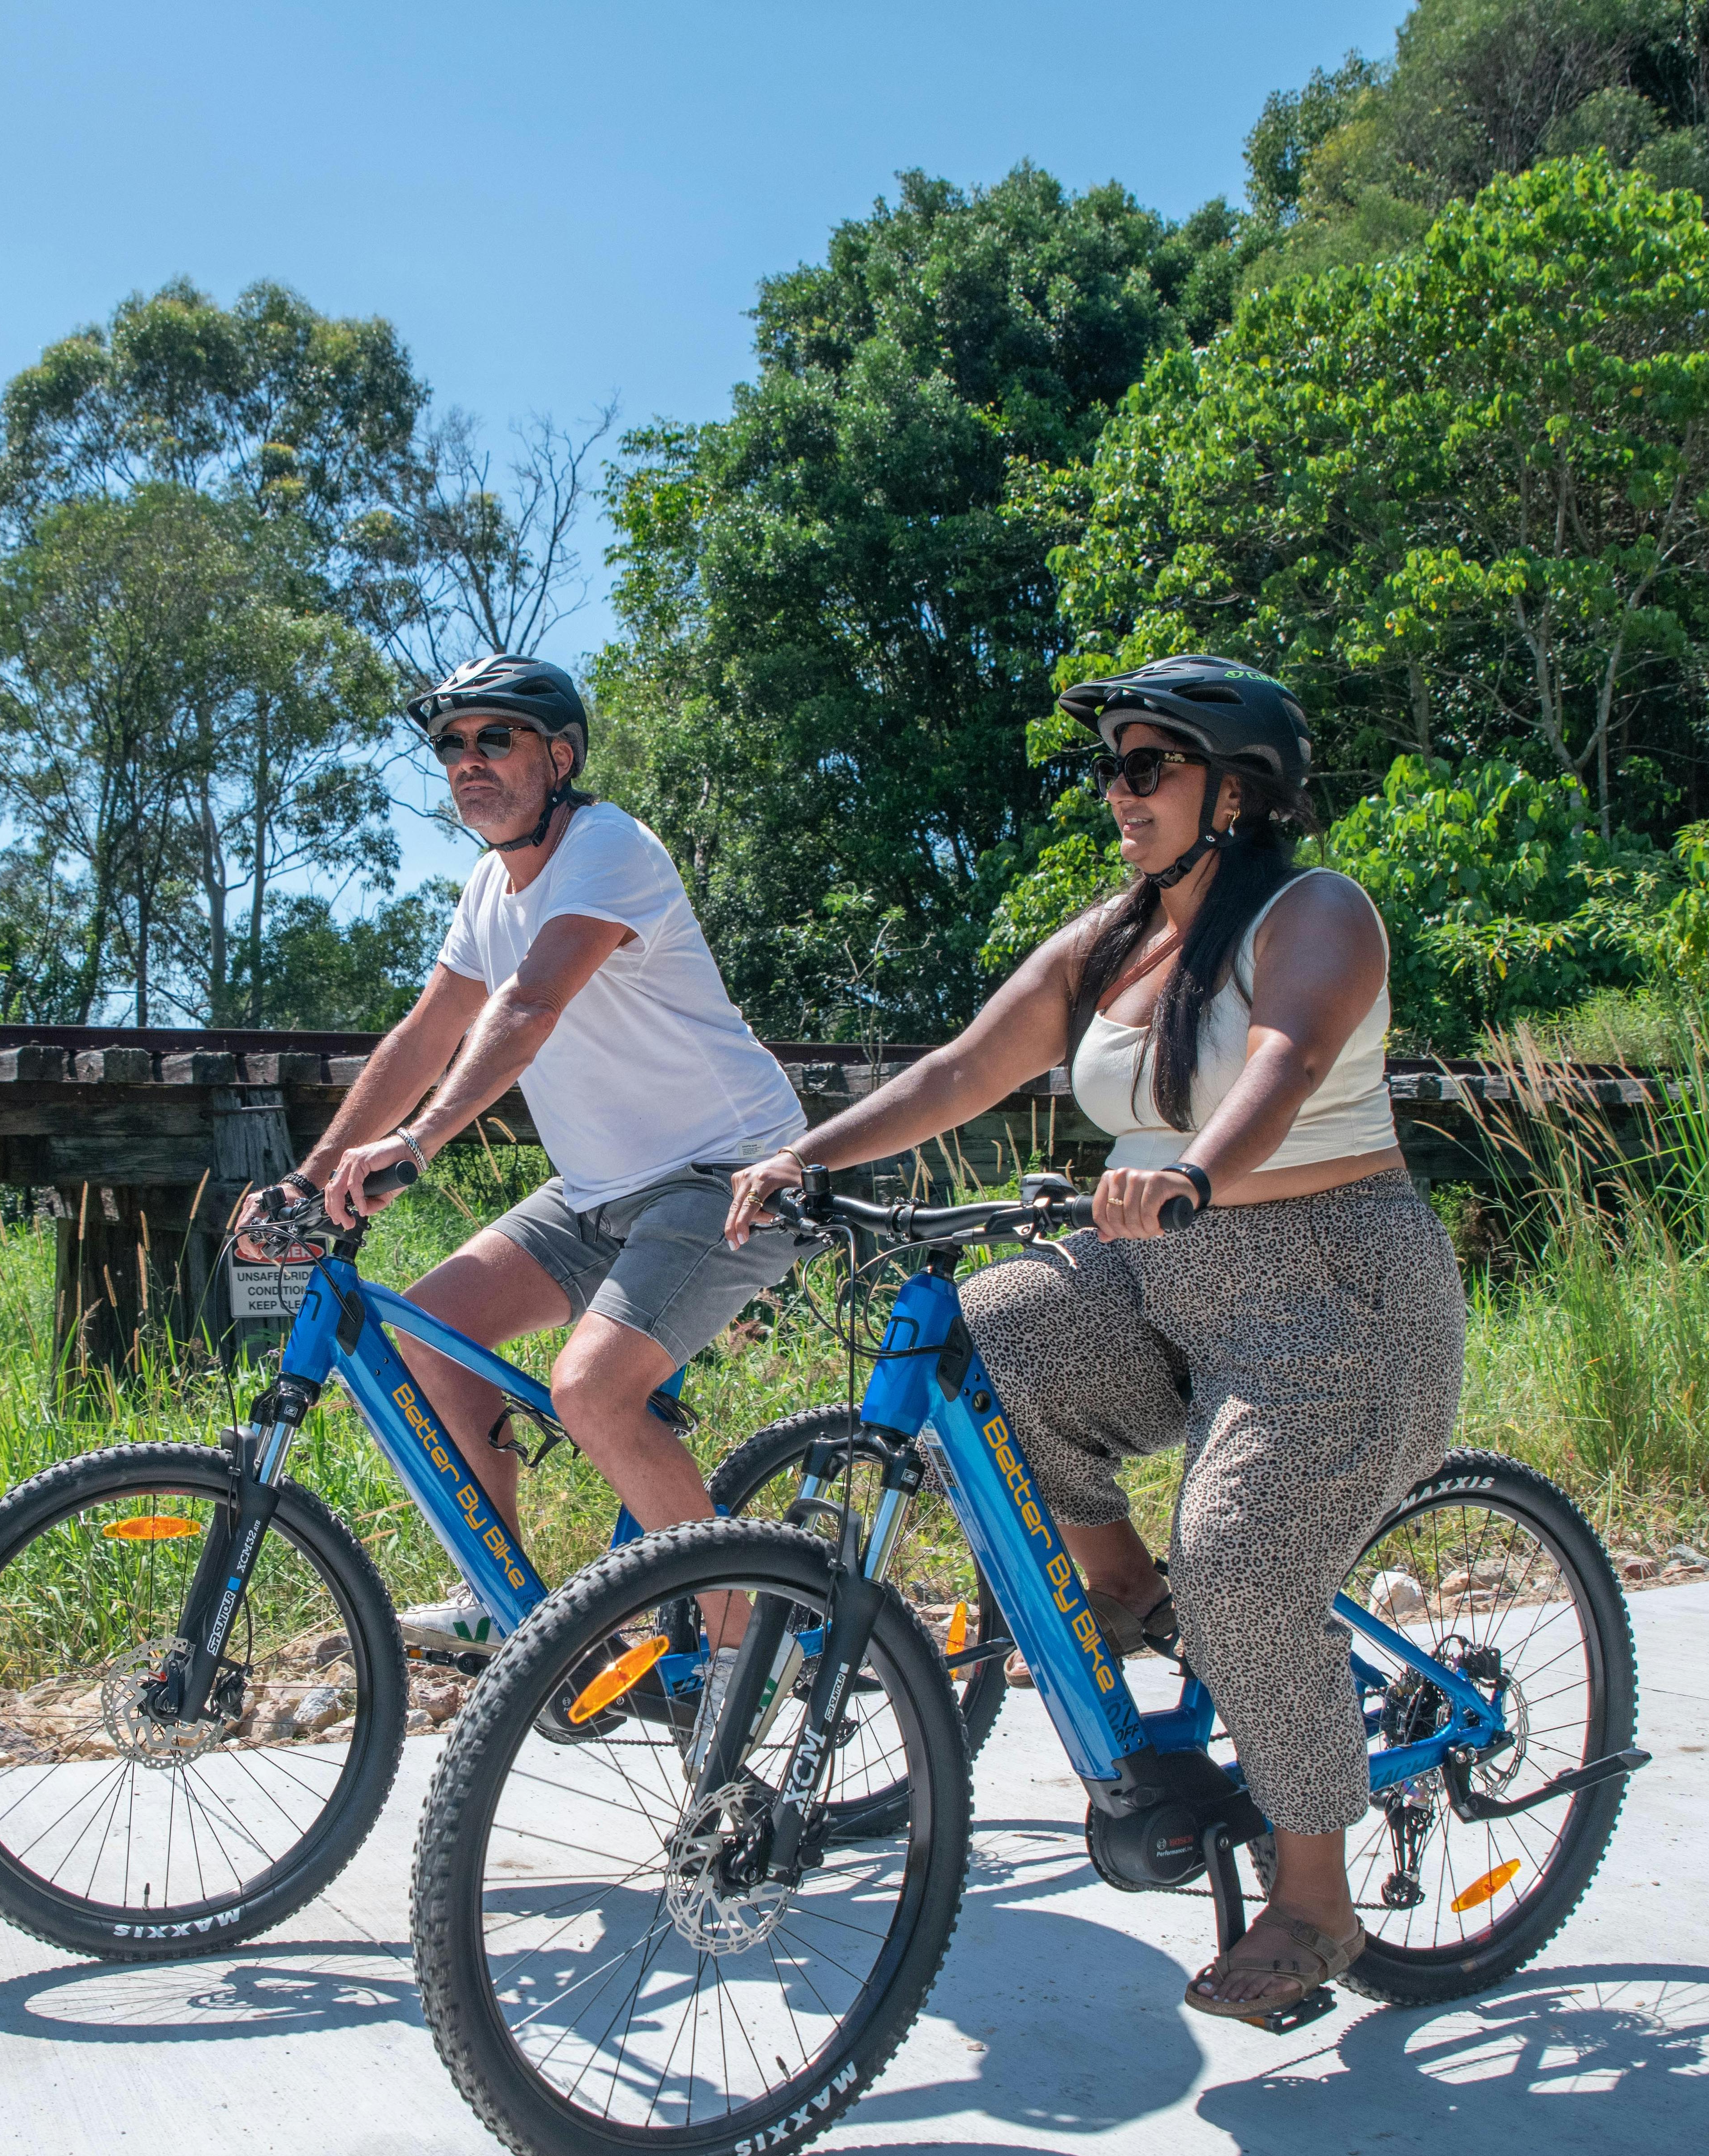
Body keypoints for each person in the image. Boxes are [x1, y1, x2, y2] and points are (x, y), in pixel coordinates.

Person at [721, 653, 1466, 2026]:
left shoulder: (1316, 914)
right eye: (1107, 768)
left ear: (1236, 790)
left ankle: (1317, 1897)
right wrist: (800, 1159)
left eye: (1145, 766)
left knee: (1241, 1556)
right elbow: (960, 1070)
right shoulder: (1113, 937)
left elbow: (1283, 1065)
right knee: (989, 1330)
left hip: (1335, 1290)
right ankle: (1123, 1584)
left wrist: (1192, 1170)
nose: (1115, 793)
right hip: (1164, 1278)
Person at [241, 653, 809, 1637]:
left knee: (589, 1389)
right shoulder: (486, 889)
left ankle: (743, 1658)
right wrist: (312, 1172)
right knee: (420, 1341)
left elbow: (531, 1004)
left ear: (559, 755)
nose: (468, 761)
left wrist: (417, 1143)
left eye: (492, 738)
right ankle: (502, 1606)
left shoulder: (608, 848)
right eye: (451, 746)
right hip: (597, 1191)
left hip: (730, 1173)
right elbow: (423, 1035)